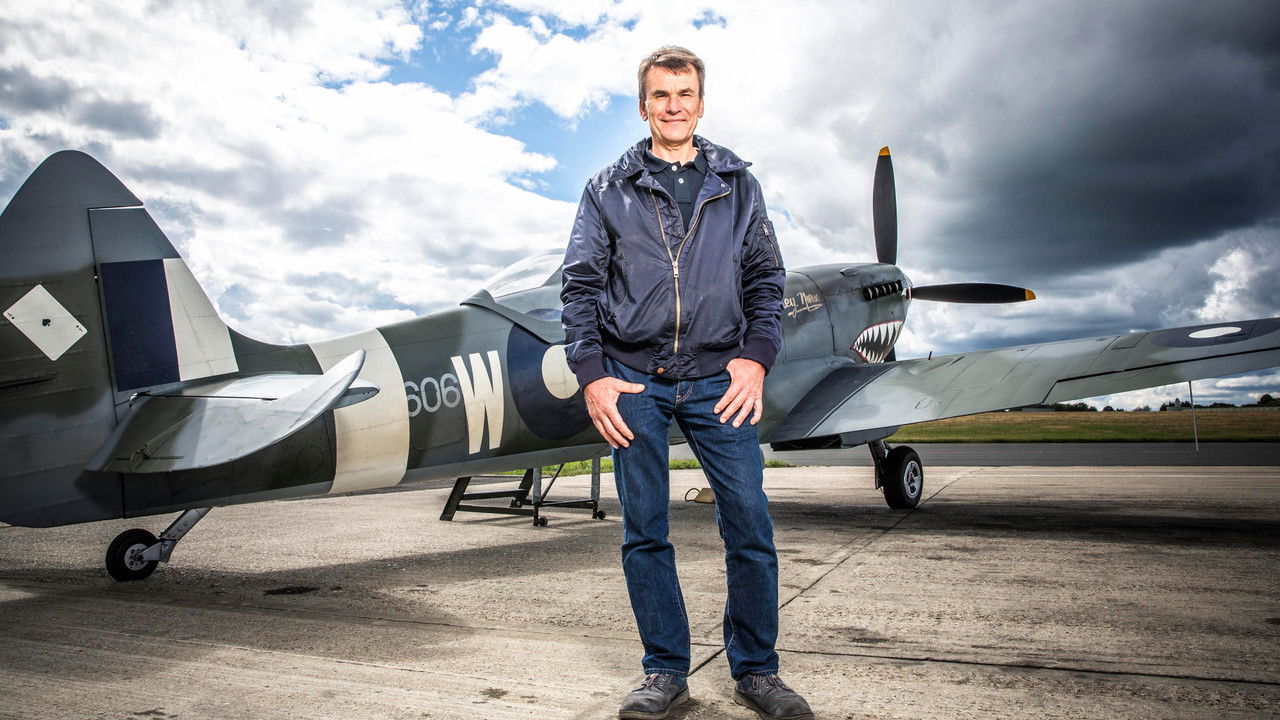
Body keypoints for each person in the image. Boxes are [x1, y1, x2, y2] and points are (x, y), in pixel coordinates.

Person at [561, 46, 812, 720]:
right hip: (632, 381)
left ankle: (757, 671)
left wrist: (756, 356)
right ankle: (663, 671)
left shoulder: (738, 185)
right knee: (645, 530)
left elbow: (766, 279)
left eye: (685, 93)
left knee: (750, 524)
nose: (673, 105)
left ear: (700, 102)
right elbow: (580, 286)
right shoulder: (605, 189)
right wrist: (593, 375)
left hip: (718, 380)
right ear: (644, 105)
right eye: (660, 95)